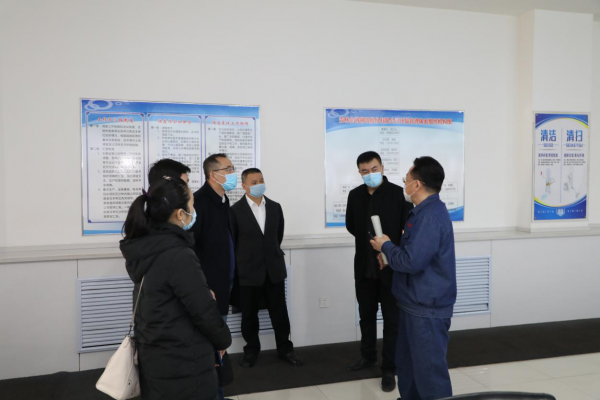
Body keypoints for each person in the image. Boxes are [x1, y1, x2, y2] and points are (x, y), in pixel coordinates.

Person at [120, 176, 231, 400]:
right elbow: (203, 310)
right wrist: (223, 339)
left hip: (154, 353)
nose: (194, 211)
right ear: (181, 214)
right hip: (183, 361)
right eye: (192, 205)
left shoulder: (146, 246)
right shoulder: (178, 254)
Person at [370, 156, 457, 400]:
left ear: (416, 184)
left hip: (426, 309)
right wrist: (390, 256)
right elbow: (414, 254)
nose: (404, 185)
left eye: (405, 180)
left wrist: (386, 247)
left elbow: (413, 261)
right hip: (412, 304)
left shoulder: (430, 216)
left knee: (430, 375)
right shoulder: (421, 212)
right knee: (409, 369)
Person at [345, 151, 413, 392]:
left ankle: (389, 368)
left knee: (392, 321)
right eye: (365, 171)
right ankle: (368, 356)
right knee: (366, 316)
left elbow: (406, 229)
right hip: (365, 266)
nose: (370, 174)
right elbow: (352, 226)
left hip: (390, 267)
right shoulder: (355, 195)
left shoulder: (398, 194)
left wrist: (387, 250)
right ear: (359, 173)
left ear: (382, 168)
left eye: (374, 169)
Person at [230, 168, 303, 368]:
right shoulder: (234, 211)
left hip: (274, 269)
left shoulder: (275, 207)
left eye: (261, 180)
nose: (259, 184)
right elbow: (234, 242)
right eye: (254, 182)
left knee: (280, 313)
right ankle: (251, 350)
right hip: (247, 271)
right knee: (249, 315)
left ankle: (285, 349)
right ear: (244, 186)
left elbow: (277, 236)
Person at [191, 154, 238, 400]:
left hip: (223, 284)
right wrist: (202, 286)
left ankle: (217, 393)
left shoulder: (223, 200)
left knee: (217, 346)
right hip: (208, 288)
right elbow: (191, 250)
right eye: (228, 169)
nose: (232, 173)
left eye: (232, 168)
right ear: (213, 174)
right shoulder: (198, 203)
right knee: (210, 346)